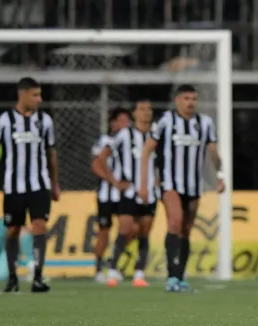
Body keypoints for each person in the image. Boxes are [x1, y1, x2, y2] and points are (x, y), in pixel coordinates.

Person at [139, 85, 225, 292]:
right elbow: (146, 152)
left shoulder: (204, 123)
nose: (190, 102)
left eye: (194, 98)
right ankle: (171, 278)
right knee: (175, 222)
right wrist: (144, 184)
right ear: (177, 100)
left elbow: (213, 152)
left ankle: (180, 276)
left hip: (194, 185)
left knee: (186, 230)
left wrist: (219, 175)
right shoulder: (165, 121)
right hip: (170, 183)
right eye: (186, 98)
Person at [0, 77, 61, 293]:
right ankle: (12, 278)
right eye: (35, 95)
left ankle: (37, 277)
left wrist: (55, 183)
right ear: (22, 94)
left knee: (39, 226)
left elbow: (51, 153)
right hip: (13, 187)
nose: (40, 99)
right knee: (13, 230)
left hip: (39, 185)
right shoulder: (5, 120)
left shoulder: (45, 121)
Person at [94, 100, 160, 288]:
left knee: (144, 232)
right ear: (135, 114)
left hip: (150, 193)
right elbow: (102, 157)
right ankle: (112, 269)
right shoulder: (124, 135)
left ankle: (139, 273)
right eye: (142, 109)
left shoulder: (157, 136)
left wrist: (159, 180)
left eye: (148, 109)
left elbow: (165, 159)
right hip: (130, 192)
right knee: (125, 229)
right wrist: (115, 181)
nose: (146, 113)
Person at [90, 109, 130, 283]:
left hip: (126, 194)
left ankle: (112, 262)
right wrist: (113, 181)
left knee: (129, 229)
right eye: (121, 121)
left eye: (127, 121)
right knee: (104, 230)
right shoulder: (105, 141)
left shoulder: (133, 139)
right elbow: (96, 165)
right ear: (113, 123)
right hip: (107, 194)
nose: (125, 125)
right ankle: (99, 268)